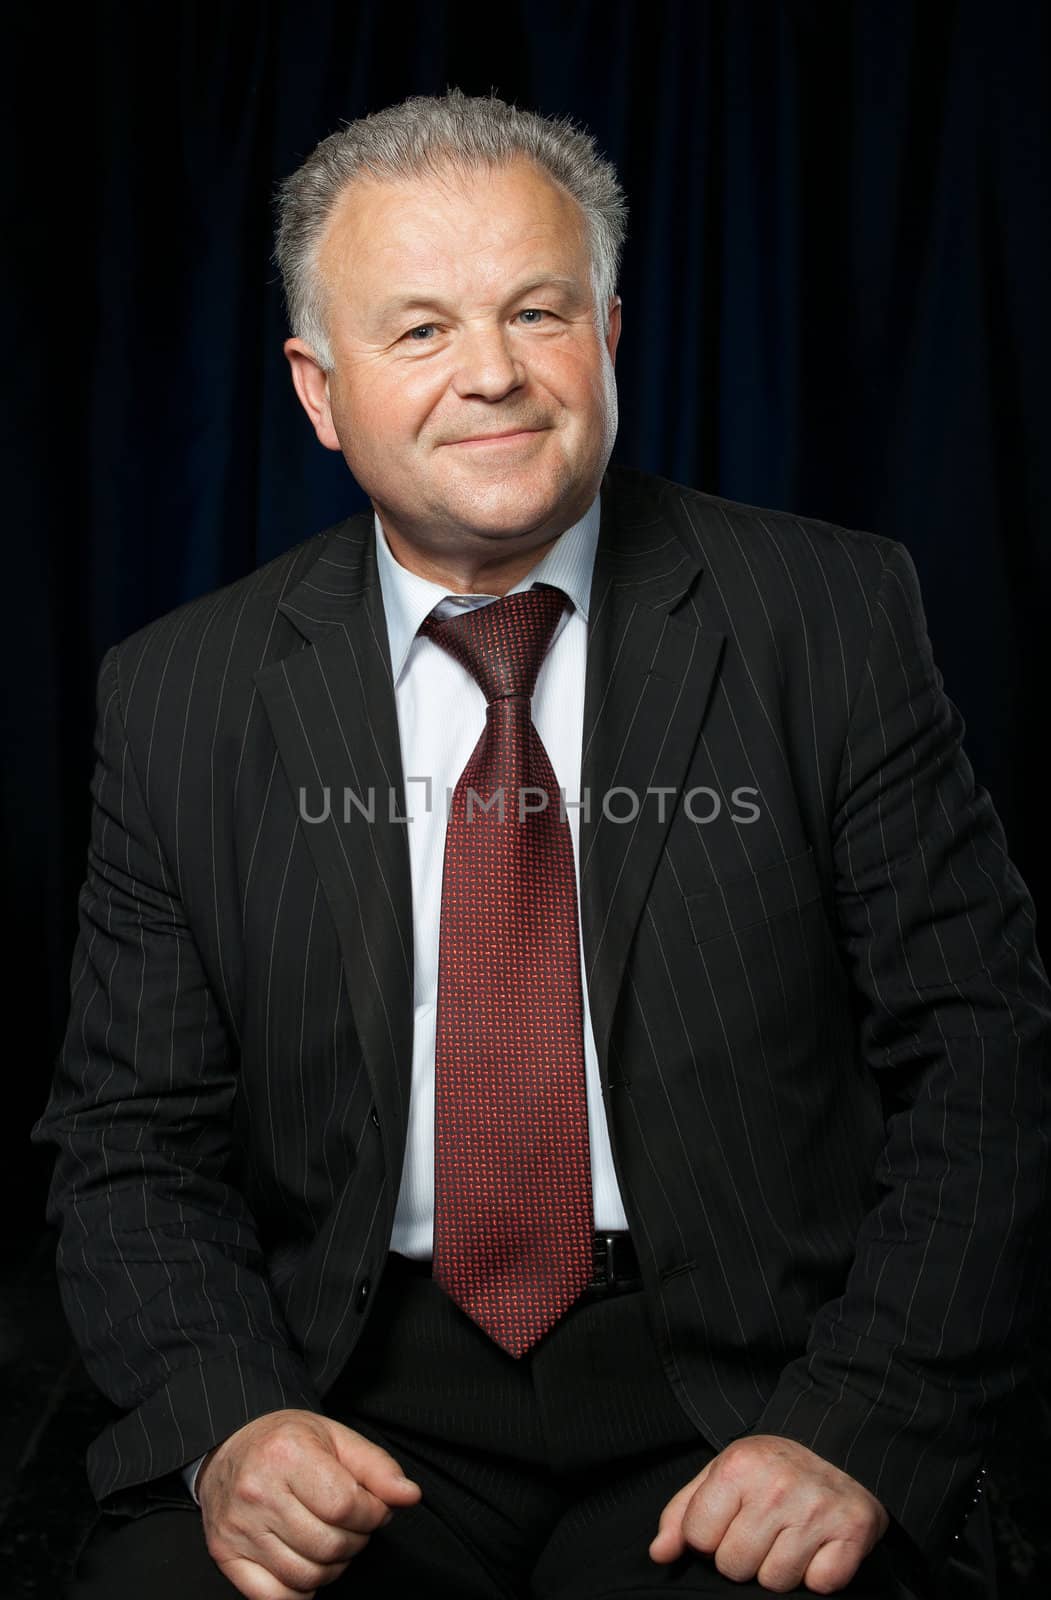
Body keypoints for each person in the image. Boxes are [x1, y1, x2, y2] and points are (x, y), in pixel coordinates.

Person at [31, 88, 1051, 1600]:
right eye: (422, 331)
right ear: (319, 391)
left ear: (613, 335)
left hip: (734, 1391)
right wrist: (228, 1422)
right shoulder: (180, 693)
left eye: (537, 311)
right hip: (350, 1381)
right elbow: (129, 1141)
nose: (494, 376)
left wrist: (864, 1423)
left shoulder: (826, 616)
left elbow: (983, 1057)